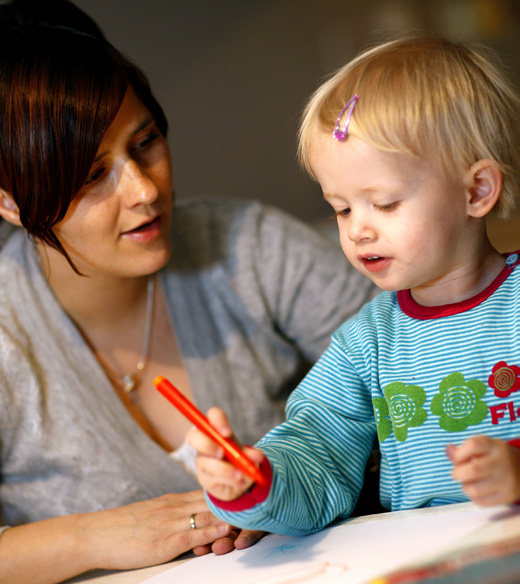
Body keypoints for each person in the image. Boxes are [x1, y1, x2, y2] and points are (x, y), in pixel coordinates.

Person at [0, 0, 376, 582]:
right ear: (9, 201)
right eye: (93, 175)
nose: (145, 190)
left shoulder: (250, 248)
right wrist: (96, 535)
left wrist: (286, 487)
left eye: (145, 142)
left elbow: (417, 374)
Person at [190, 35, 520, 537]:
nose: (358, 229)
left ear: (476, 190)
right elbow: (317, 451)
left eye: (384, 203)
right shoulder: (364, 342)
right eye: (342, 208)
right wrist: (255, 481)